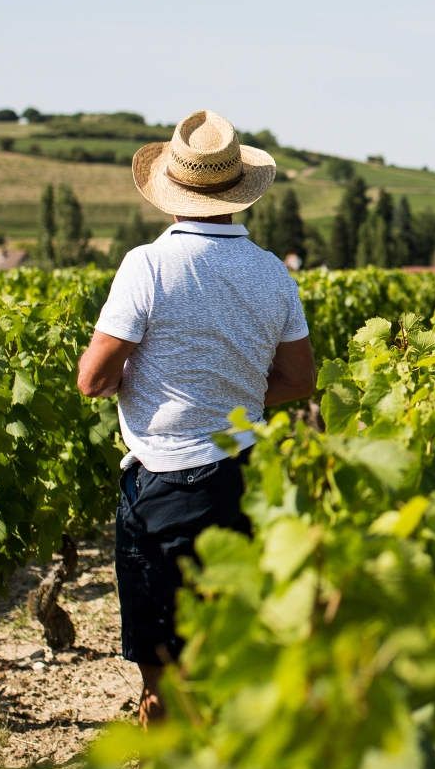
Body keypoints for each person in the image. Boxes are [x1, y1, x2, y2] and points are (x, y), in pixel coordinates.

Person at [76, 109, 316, 724]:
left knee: (163, 668)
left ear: (171, 193)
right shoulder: (270, 272)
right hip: (244, 472)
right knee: (233, 647)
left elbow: (94, 379)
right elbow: (298, 381)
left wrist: (153, 384)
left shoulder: (149, 266)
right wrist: (231, 401)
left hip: (163, 481)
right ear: (239, 195)